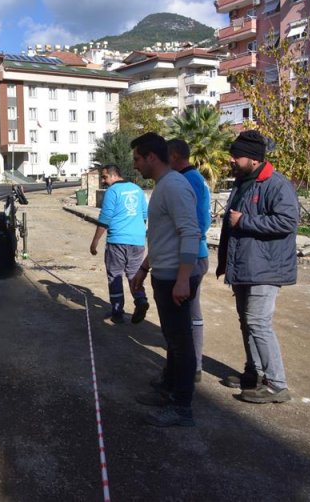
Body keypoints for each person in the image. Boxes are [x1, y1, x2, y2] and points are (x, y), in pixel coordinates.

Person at [216, 130, 299, 404]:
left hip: (266, 267)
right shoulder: (243, 182)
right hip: (244, 266)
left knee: (258, 323)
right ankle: (254, 373)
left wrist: (245, 222)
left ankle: (277, 384)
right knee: (246, 323)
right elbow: (231, 224)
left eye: (236, 155)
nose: (231, 159)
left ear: (253, 158)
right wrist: (224, 262)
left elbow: (287, 222)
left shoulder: (276, 184)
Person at [129, 132, 201, 427]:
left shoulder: (174, 187)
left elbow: (190, 232)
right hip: (165, 273)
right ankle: (168, 389)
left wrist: (183, 279)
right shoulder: (163, 186)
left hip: (176, 278)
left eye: (137, 159)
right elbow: (162, 238)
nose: (134, 165)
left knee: (181, 343)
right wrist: (144, 268)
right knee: (173, 339)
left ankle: (182, 407)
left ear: (152, 158)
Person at [166, 139, 211, 383]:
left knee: (183, 316)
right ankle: (192, 366)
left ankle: (188, 368)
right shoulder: (196, 178)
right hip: (196, 253)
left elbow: (196, 224)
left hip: (190, 255)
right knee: (191, 313)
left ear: (173, 156)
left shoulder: (187, 180)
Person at [89, 164, 149, 324]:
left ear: (114, 175)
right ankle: (141, 299)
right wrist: (137, 232)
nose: (103, 181)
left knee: (114, 275)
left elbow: (105, 218)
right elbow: (144, 215)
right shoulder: (137, 189)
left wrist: (95, 241)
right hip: (137, 240)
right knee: (134, 274)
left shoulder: (112, 191)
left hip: (117, 240)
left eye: (104, 177)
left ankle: (117, 312)